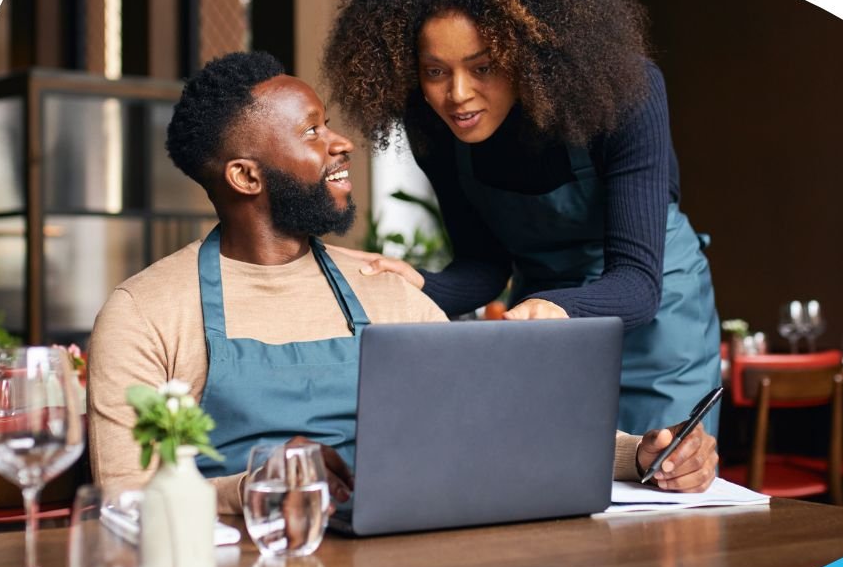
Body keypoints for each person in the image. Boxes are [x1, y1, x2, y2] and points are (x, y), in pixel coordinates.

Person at [87, 50, 717, 514]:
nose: (342, 145)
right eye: (311, 132)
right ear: (247, 178)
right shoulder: (146, 311)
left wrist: (642, 454)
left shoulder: (382, 290)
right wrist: (249, 490)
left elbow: (498, 421)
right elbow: (123, 495)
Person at [320, 0, 722, 440]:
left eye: (483, 66)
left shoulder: (627, 97)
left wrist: (551, 307)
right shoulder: (436, 131)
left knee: (663, 485)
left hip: (658, 323)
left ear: (527, 57)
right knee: (549, 482)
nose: (457, 94)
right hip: (542, 315)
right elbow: (485, 266)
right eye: (435, 71)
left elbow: (637, 286)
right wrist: (418, 285)